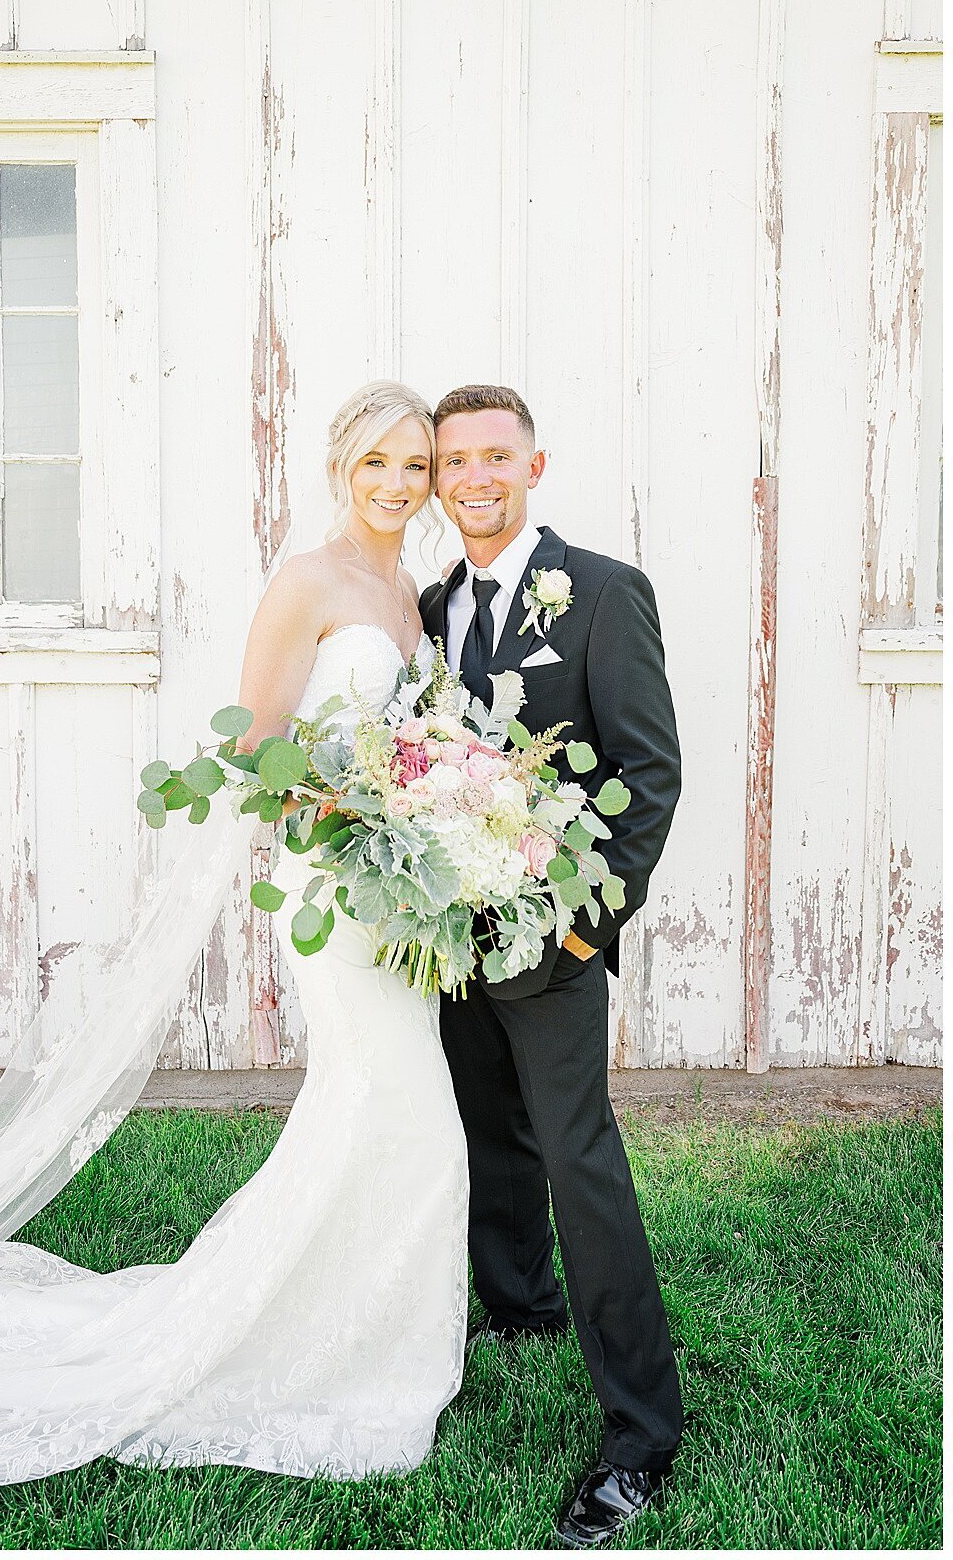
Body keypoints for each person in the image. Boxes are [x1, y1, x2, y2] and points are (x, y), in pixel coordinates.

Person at [0, 381, 469, 1505]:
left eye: (417, 465)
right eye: (379, 461)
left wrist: (430, 817)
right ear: (342, 466)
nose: (399, 484)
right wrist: (353, 822)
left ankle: (363, 1324)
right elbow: (259, 758)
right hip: (333, 891)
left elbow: (411, 739)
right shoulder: (309, 583)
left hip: (398, 899)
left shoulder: (406, 590)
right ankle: (326, 1339)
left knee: (390, 1108)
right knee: (402, 1102)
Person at [420, 383, 684, 1550]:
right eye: (453, 461)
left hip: (554, 937)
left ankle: (640, 1435)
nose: (473, 476)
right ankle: (519, 1310)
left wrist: (585, 925)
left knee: (580, 1160)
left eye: (493, 456)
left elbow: (648, 770)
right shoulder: (432, 606)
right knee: (489, 1133)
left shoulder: (604, 591)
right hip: (447, 934)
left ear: (534, 465)